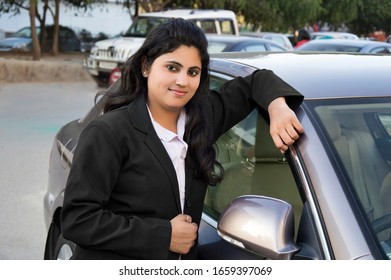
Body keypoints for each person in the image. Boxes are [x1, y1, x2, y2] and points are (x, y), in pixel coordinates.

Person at [60, 18, 304, 260]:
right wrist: (164, 235)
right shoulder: (109, 132)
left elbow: (257, 81)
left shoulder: (203, 117)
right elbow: (78, 219)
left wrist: (277, 106)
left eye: (193, 72)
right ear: (146, 66)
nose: (183, 81)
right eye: (172, 68)